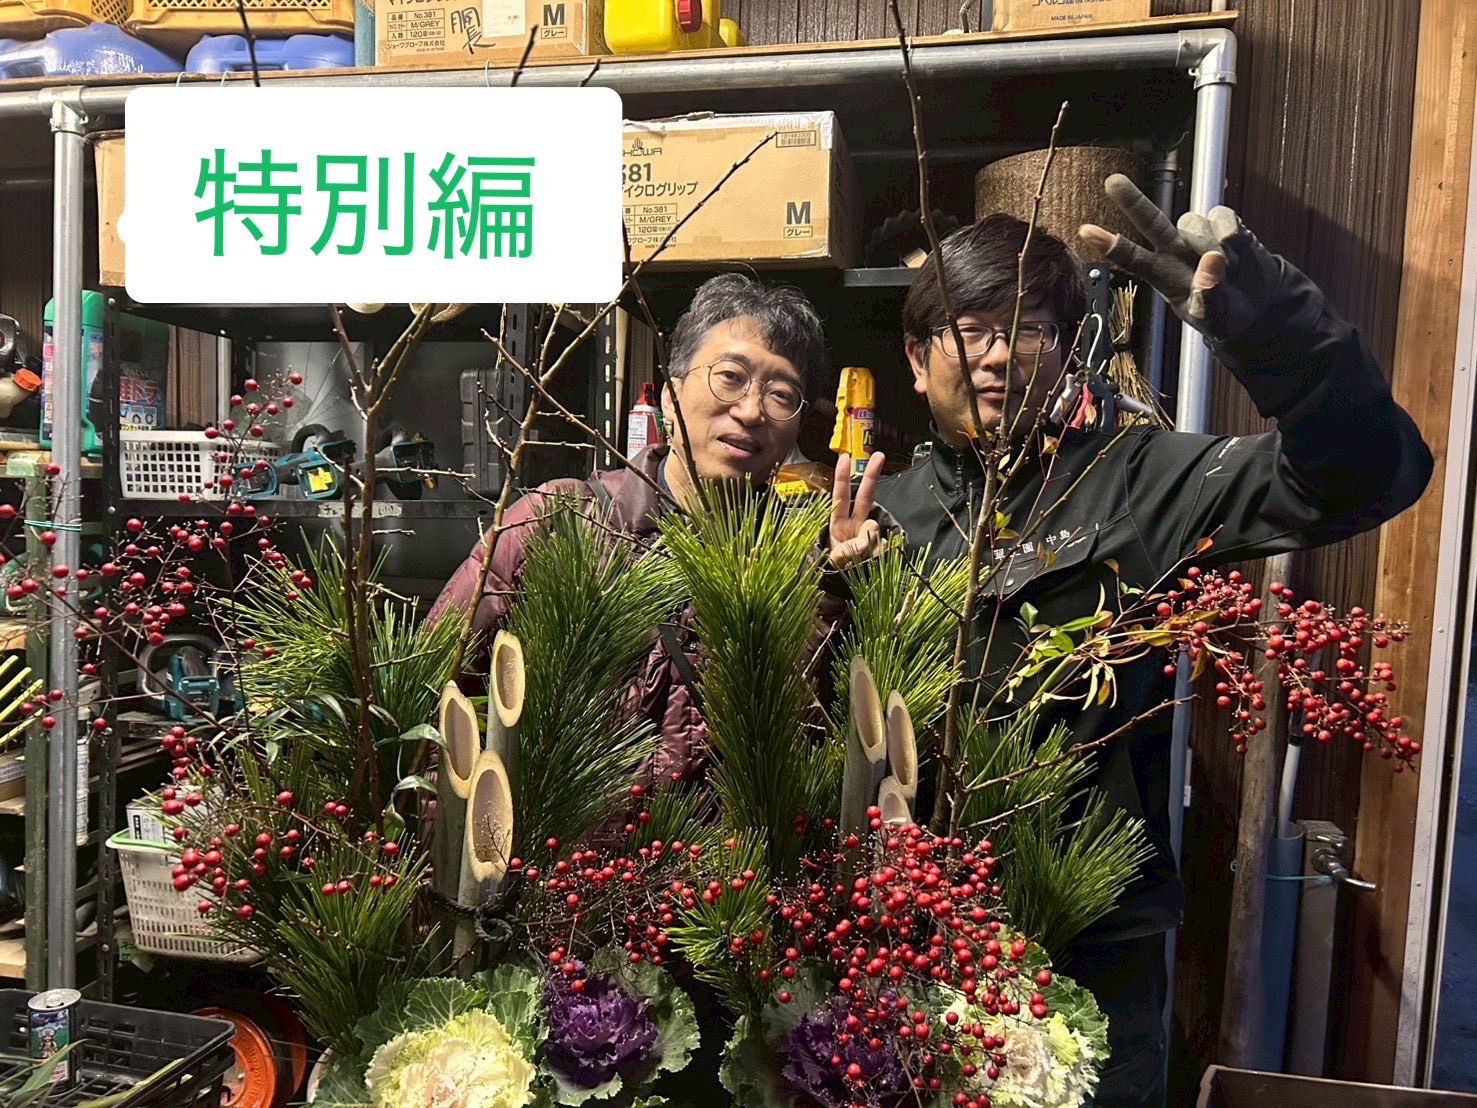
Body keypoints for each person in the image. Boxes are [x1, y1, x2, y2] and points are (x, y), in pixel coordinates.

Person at [852, 175, 1433, 1107]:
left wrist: (1274, 333)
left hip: (1092, 955)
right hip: (908, 940)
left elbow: (1368, 477)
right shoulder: (876, 517)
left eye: (1028, 329)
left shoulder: (1139, 480)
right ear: (918, 361)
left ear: (1066, 353)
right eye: (969, 330)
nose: (997, 356)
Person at [428, 271, 885, 785]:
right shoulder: (560, 521)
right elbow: (436, 700)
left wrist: (835, 589)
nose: (752, 410)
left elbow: (808, 746)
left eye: (781, 394)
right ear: (671, 395)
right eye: (730, 376)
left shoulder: (798, 565)